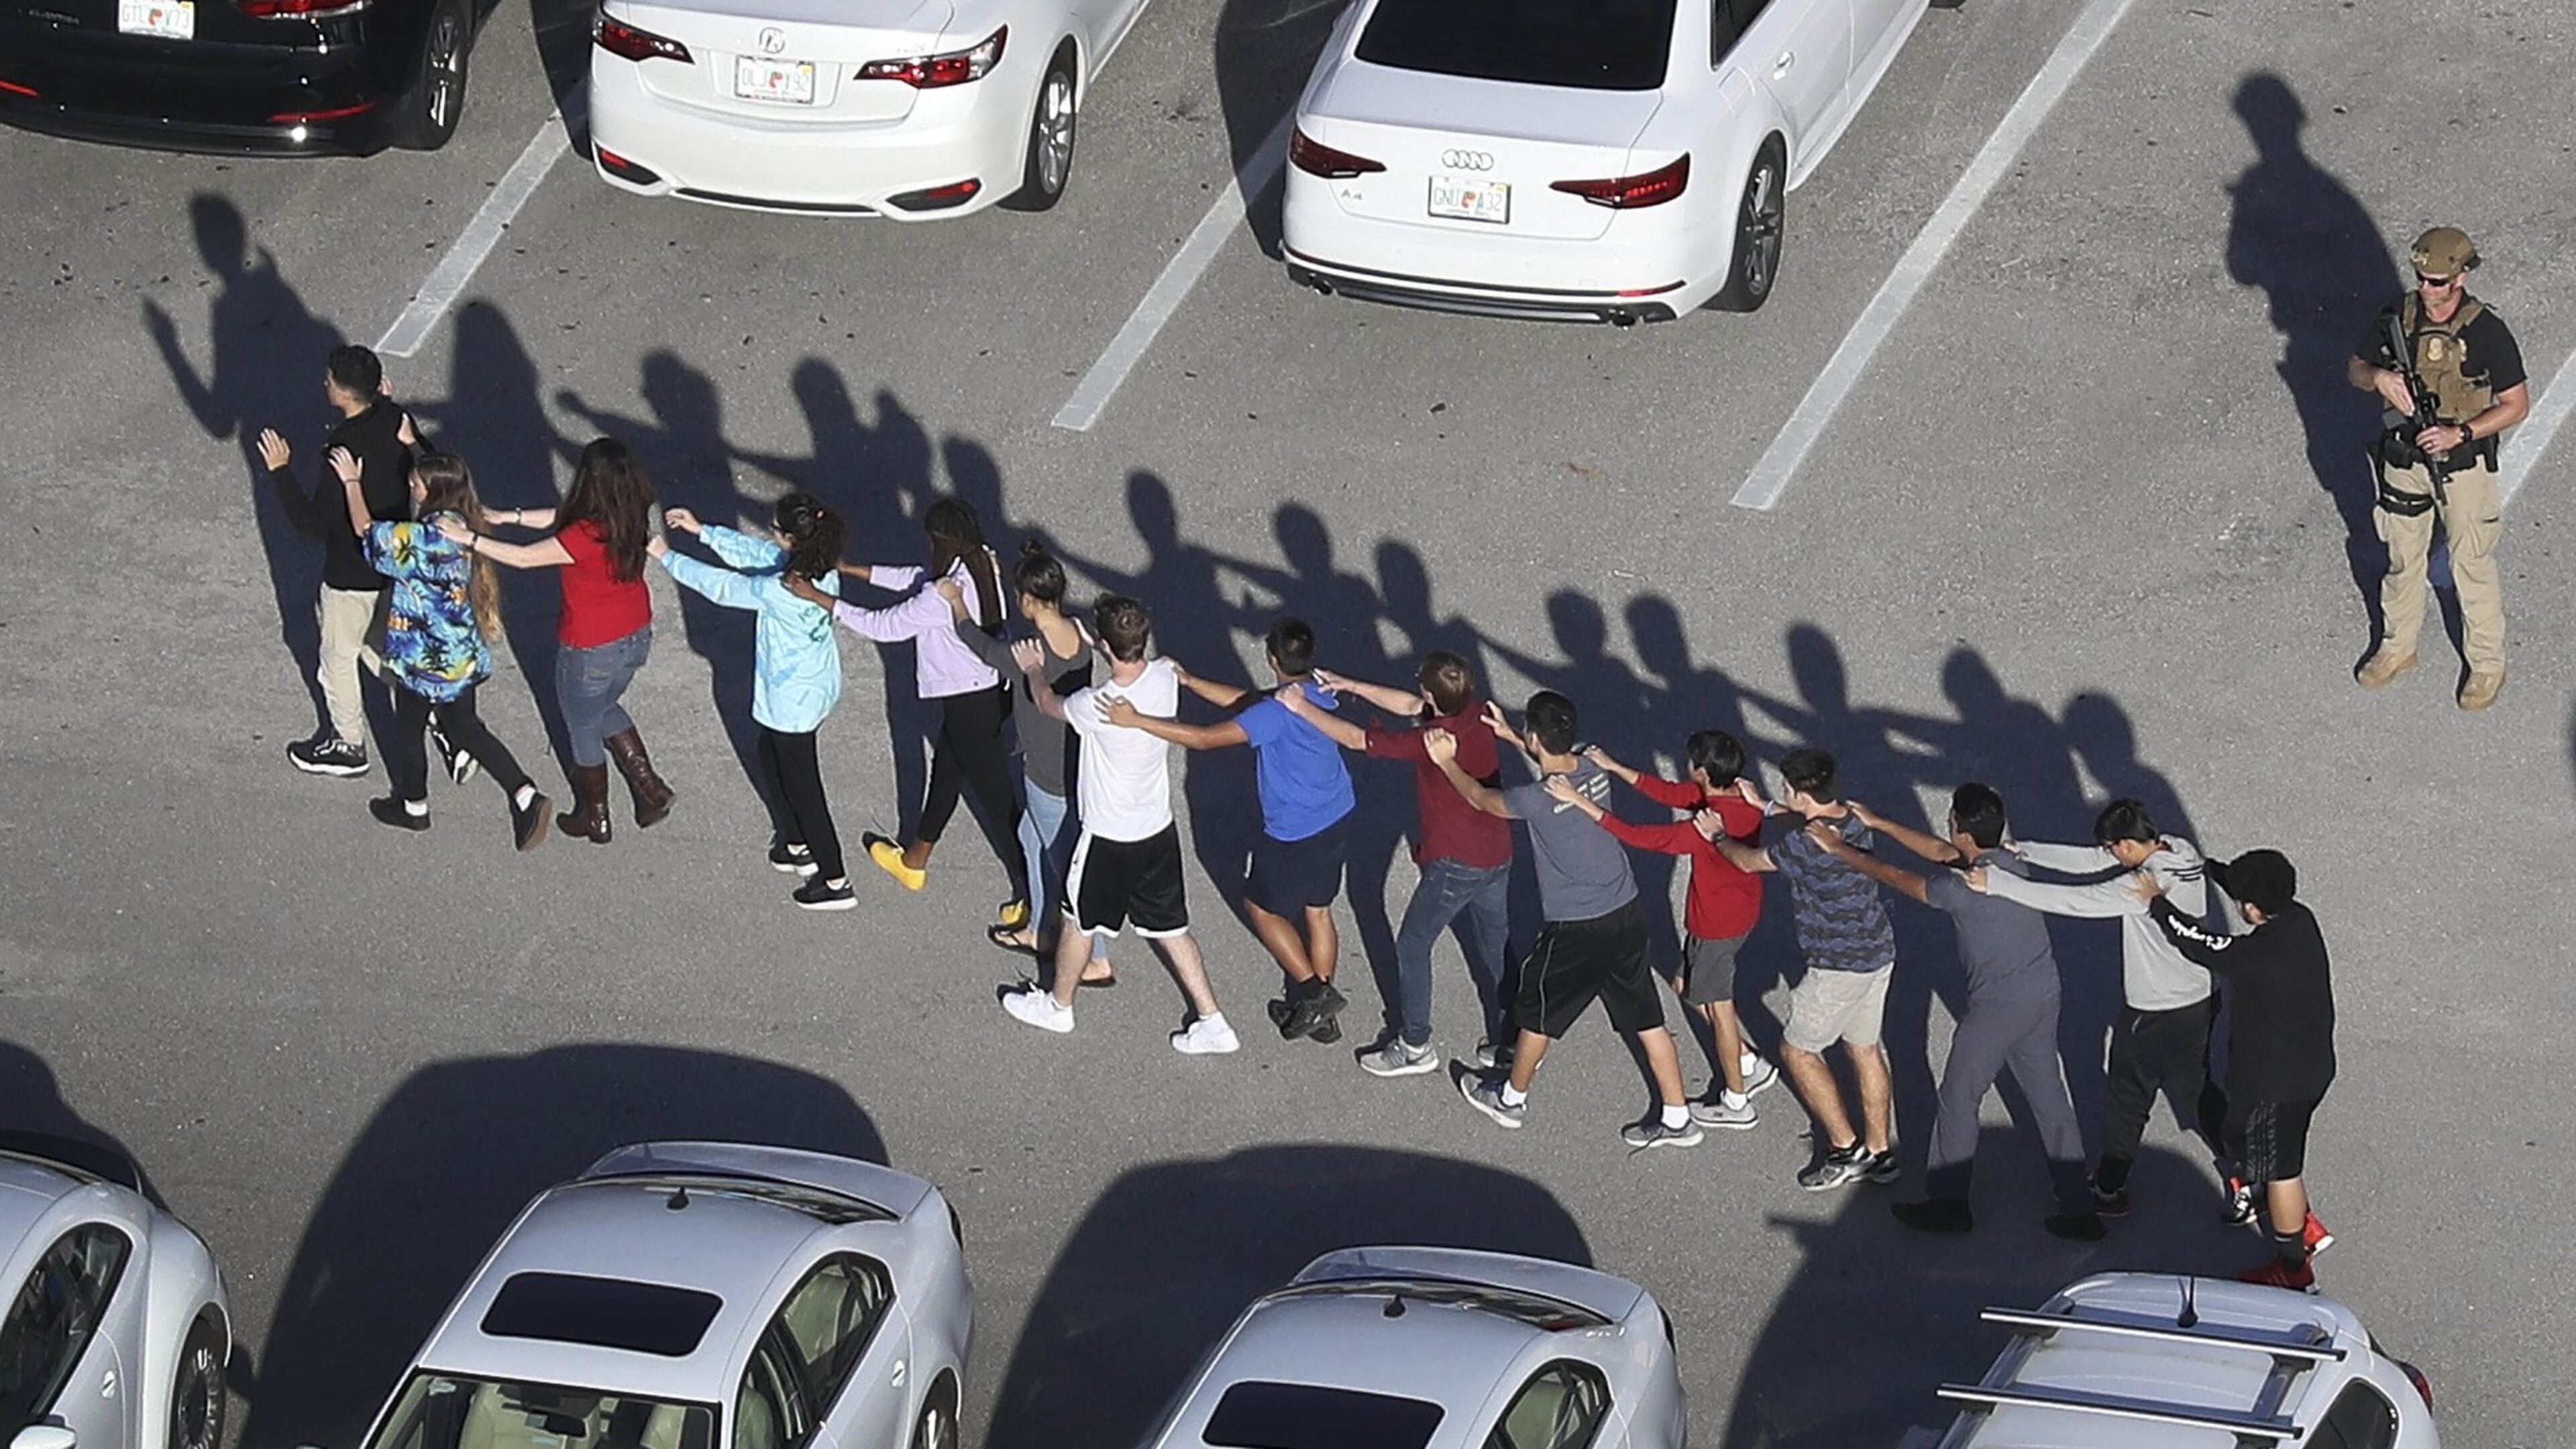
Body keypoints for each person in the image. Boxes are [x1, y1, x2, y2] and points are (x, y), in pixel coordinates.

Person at [1809, 788, 2102, 1238]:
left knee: (1959, 1097)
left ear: (1959, 826)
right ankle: (2079, 1207)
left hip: (1997, 1009)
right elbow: (1945, 853)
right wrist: (1879, 822)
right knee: (2049, 1096)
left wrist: (1839, 849)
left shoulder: (1959, 889)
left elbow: (1895, 876)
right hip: (2043, 994)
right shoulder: (2007, 864)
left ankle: (1949, 1203)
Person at [1435, 693, 1701, 1148]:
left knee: (1537, 1013)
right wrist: (1513, 737)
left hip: (1578, 927)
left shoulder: (1534, 799)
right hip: (1627, 910)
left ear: (1536, 737)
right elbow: (1555, 763)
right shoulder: (1591, 766)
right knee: (1646, 1016)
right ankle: (1679, 1117)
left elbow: (1483, 799)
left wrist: (1446, 762)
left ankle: (1510, 1100)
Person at [996, 596, 1238, 1054]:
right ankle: (1213, 1020)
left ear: (1105, 645)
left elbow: (1049, 704)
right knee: (1171, 928)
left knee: (1077, 921)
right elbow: (1136, 660)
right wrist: (1104, 642)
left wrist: (1032, 668)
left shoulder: (1098, 703)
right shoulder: (1166, 672)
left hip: (1108, 838)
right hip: (1156, 830)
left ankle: (1058, 1006)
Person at [1105, 618, 1357, 1043]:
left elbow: (1205, 739)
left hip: (1294, 831)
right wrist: (1189, 681)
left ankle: (1315, 996)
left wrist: (1137, 720)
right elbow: (1246, 701)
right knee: (1318, 910)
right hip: (1337, 813)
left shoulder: (1276, 713)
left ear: (1272, 659)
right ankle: (1321, 1012)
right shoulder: (1312, 692)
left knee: (1262, 908)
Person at [1967, 798, 2214, 1216]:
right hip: (2199, 1002)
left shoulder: (2144, 885)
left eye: (2115, 848)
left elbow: (2076, 900)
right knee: (2201, 1091)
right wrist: (2026, 849)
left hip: (2153, 1014)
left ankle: (2109, 1188)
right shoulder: (2178, 848)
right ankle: (2253, 1171)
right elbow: (2092, 860)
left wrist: (1999, 884)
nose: (2111, 855)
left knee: (2126, 1102)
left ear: (2129, 845)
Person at [1277, 652, 1514, 1077]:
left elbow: (1354, 739)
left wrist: (1300, 706)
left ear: (1432, 694)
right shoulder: (1477, 714)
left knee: (1413, 945)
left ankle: (1416, 1045)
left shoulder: (1430, 742)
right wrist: (1348, 684)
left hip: (1456, 863)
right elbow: (1410, 707)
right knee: (1496, 946)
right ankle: (1512, 1040)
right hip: (1497, 852)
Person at [437, 437, 673, 843]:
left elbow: (527, 558)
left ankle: (594, 815)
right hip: (636, 634)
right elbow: (561, 517)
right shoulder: (631, 510)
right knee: (602, 706)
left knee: (582, 724)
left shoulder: (584, 534)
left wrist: (470, 540)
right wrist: (507, 516)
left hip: (591, 645)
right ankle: (649, 788)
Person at [2132, 850, 2337, 1288]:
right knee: (2268, 1145)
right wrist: (2205, 866)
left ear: (2250, 906)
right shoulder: (2301, 920)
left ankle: (2293, 1266)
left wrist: (2157, 902)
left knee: (2280, 1170)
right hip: (2313, 1067)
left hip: (2275, 1086)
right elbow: (2246, 888)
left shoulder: (2254, 954)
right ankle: (2301, 1224)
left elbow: (2197, 942)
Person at [331, 447, 551, 849]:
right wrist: (412, 442)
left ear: (432, 490)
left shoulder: (425, 539)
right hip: (462, 654)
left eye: (416, 482)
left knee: (409, 729)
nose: (410, 486)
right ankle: (524, 794)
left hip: (425, 661)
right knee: (465, 727)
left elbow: (366, 530)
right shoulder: (460, 520)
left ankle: (413, 805)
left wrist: (351, 482)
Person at [2350, 225, 2531, 710]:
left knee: (2471, 562)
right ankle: (2397, 646)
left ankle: (2487, 664)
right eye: (2422, 279)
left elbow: (2516, 405)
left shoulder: (2485, 330)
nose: (2428, 290)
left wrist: (2461, 433)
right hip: (2404, 458)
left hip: (2461, 465)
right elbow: (2356, 368)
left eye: (2438, 282)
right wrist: (2381, 379)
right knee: (2402, 557)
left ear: (2462, 277)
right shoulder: (2399, 318)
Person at [825, 500, 1030, 923]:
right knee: (947, 774)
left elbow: (885, 625)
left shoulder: (942, 595)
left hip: (969, 703)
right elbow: (918, 579)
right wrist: (855, 570)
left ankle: (1035, 896)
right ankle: (915, 860)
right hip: (990, 692)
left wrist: (825, 601)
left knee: (1000, 803)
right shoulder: (982, 560)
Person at [1709, 749, 1899, 1189]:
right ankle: (1879, 1152)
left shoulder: (1803, 845)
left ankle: (1844, 1147)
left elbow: (1750, 861)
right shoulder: (1850, 817)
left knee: (1797, 1052)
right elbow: (1810, 821)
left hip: (1836, 967)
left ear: (1797, 792)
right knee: (1865, 1049)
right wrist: (1767, 808)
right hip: (1876, 952)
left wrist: (1719, 836)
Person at [659, 496, 855, 912]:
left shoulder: (780, 589)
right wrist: (702, 531)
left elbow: (725, 587)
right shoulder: (818, 566)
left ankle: (836, 880)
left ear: (790, 538)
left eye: (774, 528)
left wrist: (664, 555)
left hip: (792, 703)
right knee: (768, 754)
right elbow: (758, 553)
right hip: (813, 688)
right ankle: (795, 842)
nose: (770, 534)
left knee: (806, 790)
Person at [932, 547, 1114, 985]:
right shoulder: (1075, 631)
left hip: (1048, 775)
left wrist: (955, 600)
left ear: (1029, 600)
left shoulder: (1027, 655)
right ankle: (1037, 929)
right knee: (1029, 837)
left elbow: (976, 641)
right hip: (1074, 762)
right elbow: (1015, 645)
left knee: (1067, 863)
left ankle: (1097, 959)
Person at [1578, 733, 1778, 1125]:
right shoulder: (1740, 795)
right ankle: (1747, 1060)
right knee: (1685, 986)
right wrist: (1615, 767)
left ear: (1702, 773)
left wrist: (1583, 805)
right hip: (1741, 911)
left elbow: (1643, 837)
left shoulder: (1705, 828)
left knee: (1720, 1011)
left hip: (1715, 925)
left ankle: (1738, 1101)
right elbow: (1673, 794)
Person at [257, 343, 411, 778]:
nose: (324, 383)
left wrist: (280, 470)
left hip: (351, 573)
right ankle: (431, 706)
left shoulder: (342, 451)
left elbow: (311, 525)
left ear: (344, 393)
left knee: (339, 658)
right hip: (394, 561)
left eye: (330, 380)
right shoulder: (396, 420)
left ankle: (347, 744)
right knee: (378, 643)